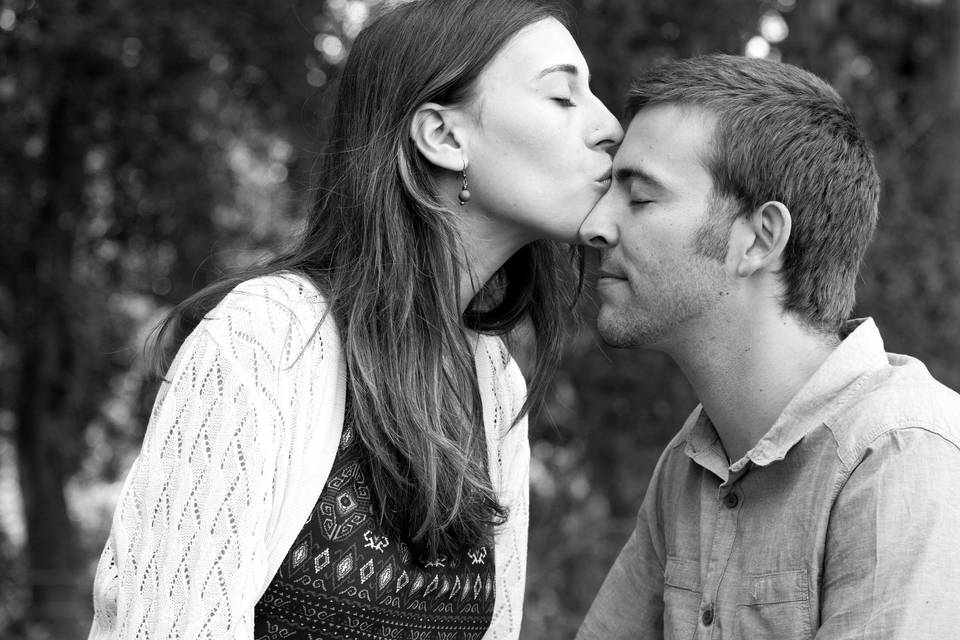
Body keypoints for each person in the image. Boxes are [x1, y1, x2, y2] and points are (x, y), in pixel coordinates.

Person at [88, 1, 622, 638]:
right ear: (444, 137)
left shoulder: (493, 381)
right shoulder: (266, 340)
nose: (611, 126)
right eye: (563, 96)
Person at [575, 53, 960, 639]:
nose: (594, 225)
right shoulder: (692, 462)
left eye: (641, 197)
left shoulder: (903, 455)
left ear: (759, 238)